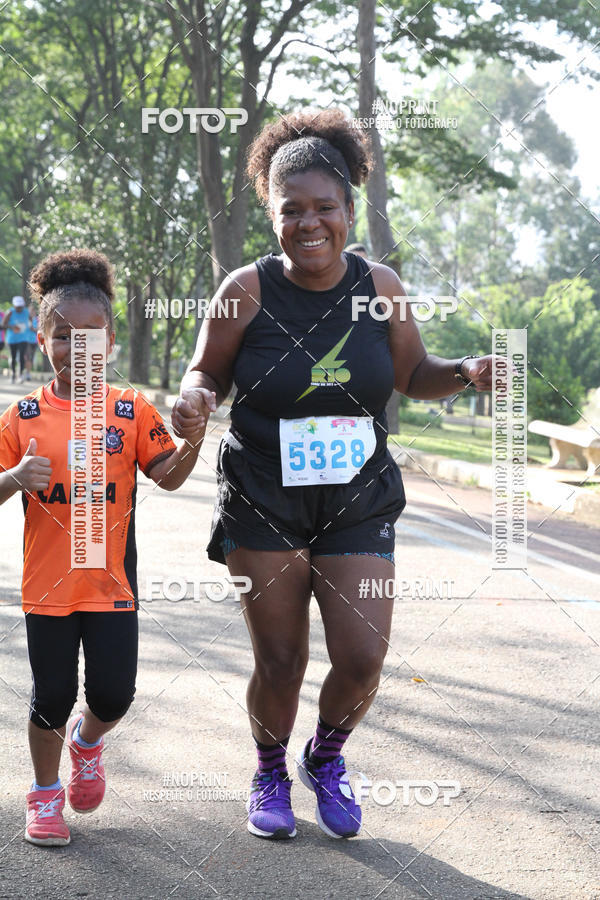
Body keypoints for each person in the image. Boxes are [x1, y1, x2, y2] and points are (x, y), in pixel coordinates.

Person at [172, 108, 493, 841]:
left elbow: (414, 373)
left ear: (350, 209)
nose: (309, 223)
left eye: (325, 207)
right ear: (272, 214)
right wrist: (194, 397)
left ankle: (326, 756)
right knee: (280, 659)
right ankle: (267, 770)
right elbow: (206, 372)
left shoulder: (380, 284)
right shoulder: (244, 291)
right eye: (293, 210)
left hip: (356, 496)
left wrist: (466, 371)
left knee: (362, 658)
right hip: (264, 493)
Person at [0, 249, 205, 847]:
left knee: (114, 693)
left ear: (110, 342)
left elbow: (167, 475)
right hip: (47, 588)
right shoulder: (24, 417)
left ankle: (87, 743)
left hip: (112, 585)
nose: (77, 349)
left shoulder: (131, 409)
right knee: (51, 695)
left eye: (90, 337)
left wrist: (191, 443)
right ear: (42, 342)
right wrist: (15, 480)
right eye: (63, 337)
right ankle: (43, 797)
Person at [4, 295, 30, 383]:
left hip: (23, 338)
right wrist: (12, 327)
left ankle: (21, 374)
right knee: (13, 357)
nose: (19, 308)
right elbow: (3, 324)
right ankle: (13, 374)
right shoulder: (10, 312)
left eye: (20, 306)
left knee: (22, 356)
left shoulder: (26, 312)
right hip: (12, 339)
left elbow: (31, 319)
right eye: (17, 307)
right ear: (14, 305)